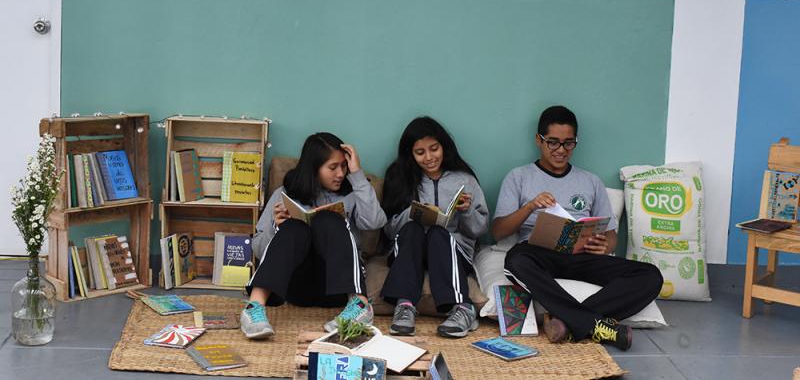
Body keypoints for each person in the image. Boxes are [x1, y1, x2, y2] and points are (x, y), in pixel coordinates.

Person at [492, 106, 662, 351]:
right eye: (553, 143)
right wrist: (529, 207)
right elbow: (498, 231)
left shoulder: (590, 181)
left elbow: (611, 235)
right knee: (515, 261)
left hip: (582, 257)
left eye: (568, 143)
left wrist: (606, 245)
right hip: (539, 255)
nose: (561, 151)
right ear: (538, 140)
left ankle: (567, 321)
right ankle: (593, 325)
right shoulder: (519, 177)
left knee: (650, 276)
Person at [241, 132, 387, 339]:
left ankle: (360, 305)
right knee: (294, 228)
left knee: (327, 219)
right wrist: (275, 227)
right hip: (297, 287)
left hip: (339, 287)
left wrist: (357, 174)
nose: (340, 174)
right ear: (313, 168)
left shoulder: (353, 194)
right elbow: (257, 248)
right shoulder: (285, 193)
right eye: (333, 167)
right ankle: (253, 308)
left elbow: (375, 222)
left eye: (343, 166)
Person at [380, 117, 489, 338]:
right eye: (420, 152)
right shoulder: (400, 178)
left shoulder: (464, 180)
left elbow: (480, 230)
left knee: (439, 233)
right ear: (410, 154)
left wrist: (466, 211)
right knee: (412, 230)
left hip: (452, 251)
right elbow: (389, 231)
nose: (429, 158)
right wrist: (411, 213)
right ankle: (405, 306)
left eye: (434, 149)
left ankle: (462, 308)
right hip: (411, 250)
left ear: (444, 146)